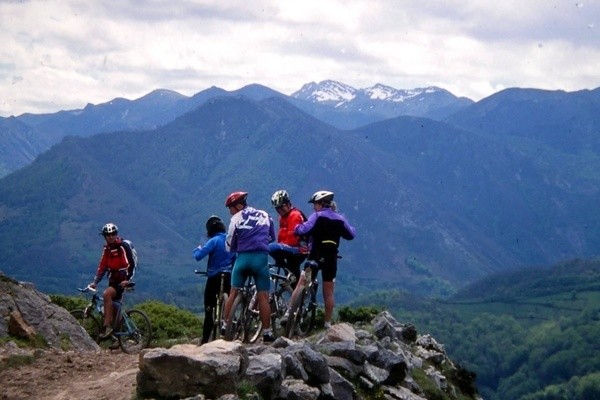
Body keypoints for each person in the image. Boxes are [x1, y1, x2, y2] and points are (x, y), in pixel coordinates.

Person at [286, 190, 356, 329]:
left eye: (315, 204)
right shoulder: (340, 219)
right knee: (328, 292)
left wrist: (297, 228)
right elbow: (351, 234)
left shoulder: (317, 216)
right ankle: (327, 324)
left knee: (301, 283)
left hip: (315, 256)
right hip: (331, 259)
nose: (313, 207)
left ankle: (289, 313)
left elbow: (303, 230)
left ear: (322, 204)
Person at [221, 191, 277, 343]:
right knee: (264, 296)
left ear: (238, 206)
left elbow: (229, 242)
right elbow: (272, 237)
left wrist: (236, 248)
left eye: (230, 208)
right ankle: (267, 332)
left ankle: (225, 325)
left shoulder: (236, 219)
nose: (230, 212)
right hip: (261, 259)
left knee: (233, 292)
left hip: (243, 259)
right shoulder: (265, 215)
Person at [193, 215, 234, 345]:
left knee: (209, 308)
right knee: (230, 303)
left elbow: (198, 256)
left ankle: (205, 340)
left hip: (214, 277)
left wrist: (198, 248)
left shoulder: (214, 241)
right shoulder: (230, 240)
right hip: (229, 276)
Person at [89, 223, 135, 340]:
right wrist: (95, 282)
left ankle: (107, 326)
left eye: (113, 234)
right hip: (113, 279)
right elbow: (103, 266)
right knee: (114, 308)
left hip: (122, 279)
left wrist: (127, 280)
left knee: (106, 294)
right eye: (108, 234)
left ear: (116, 234)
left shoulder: (122, 247)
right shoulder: (107, 249)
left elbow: (130, 264)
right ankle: (118, 339)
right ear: (105, 236)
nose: (110, 236)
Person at [267, 190, 308, 286]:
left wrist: (280, 248)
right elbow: (281, 236)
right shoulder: (283, 217)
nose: (280, 210)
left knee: (271, 248)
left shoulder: (295, 215)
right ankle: (291, 277)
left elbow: (292, 239)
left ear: (288, 204)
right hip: (291, 248)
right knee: (291, 272)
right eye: (277, 208)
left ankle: (290, 273)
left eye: (282, 207)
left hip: (299, 249)